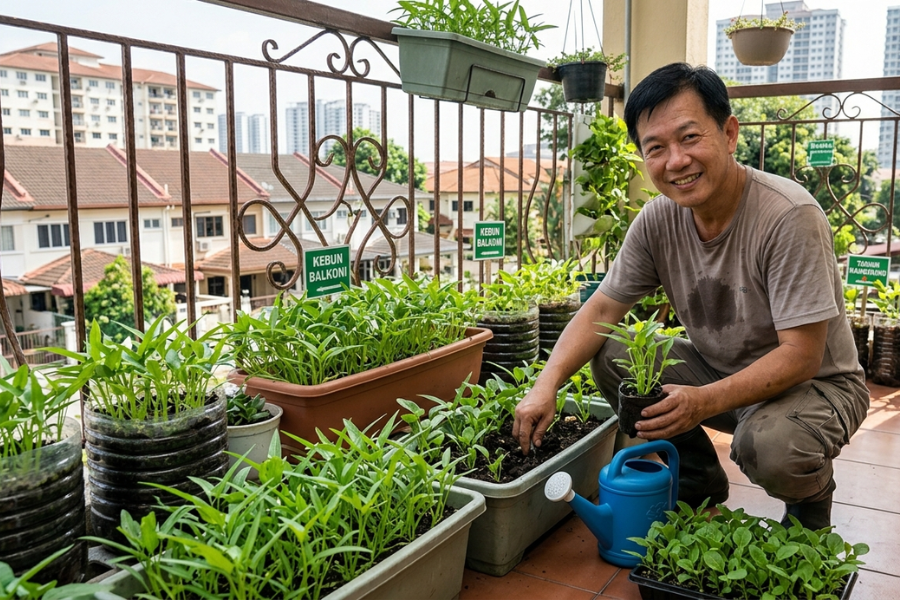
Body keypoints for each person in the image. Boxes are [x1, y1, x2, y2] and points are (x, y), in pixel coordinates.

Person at [512, 62, 870, 531]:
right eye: (656, 148)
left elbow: (801, 356)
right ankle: (697, 478)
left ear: (729, 133)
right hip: (721, 372)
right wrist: (546, 384)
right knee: (614, 354)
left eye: (689, 137)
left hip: (816, 386)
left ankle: (810, 503)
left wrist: (702, 401)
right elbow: (602, 307)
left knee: (769, 447)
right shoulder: (658, 219)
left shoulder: (788, 215)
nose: (676, 161)